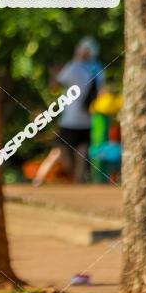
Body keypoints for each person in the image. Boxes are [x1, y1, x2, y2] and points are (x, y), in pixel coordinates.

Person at [33, 37, 105, 186]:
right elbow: (101, 92)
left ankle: (39, 179)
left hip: (70, 118)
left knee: (60, 149)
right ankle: (78, 180)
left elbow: (54, 86)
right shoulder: (98, 68)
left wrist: (54, 72)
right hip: (87, 117)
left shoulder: (74, 67)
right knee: (82, 150)